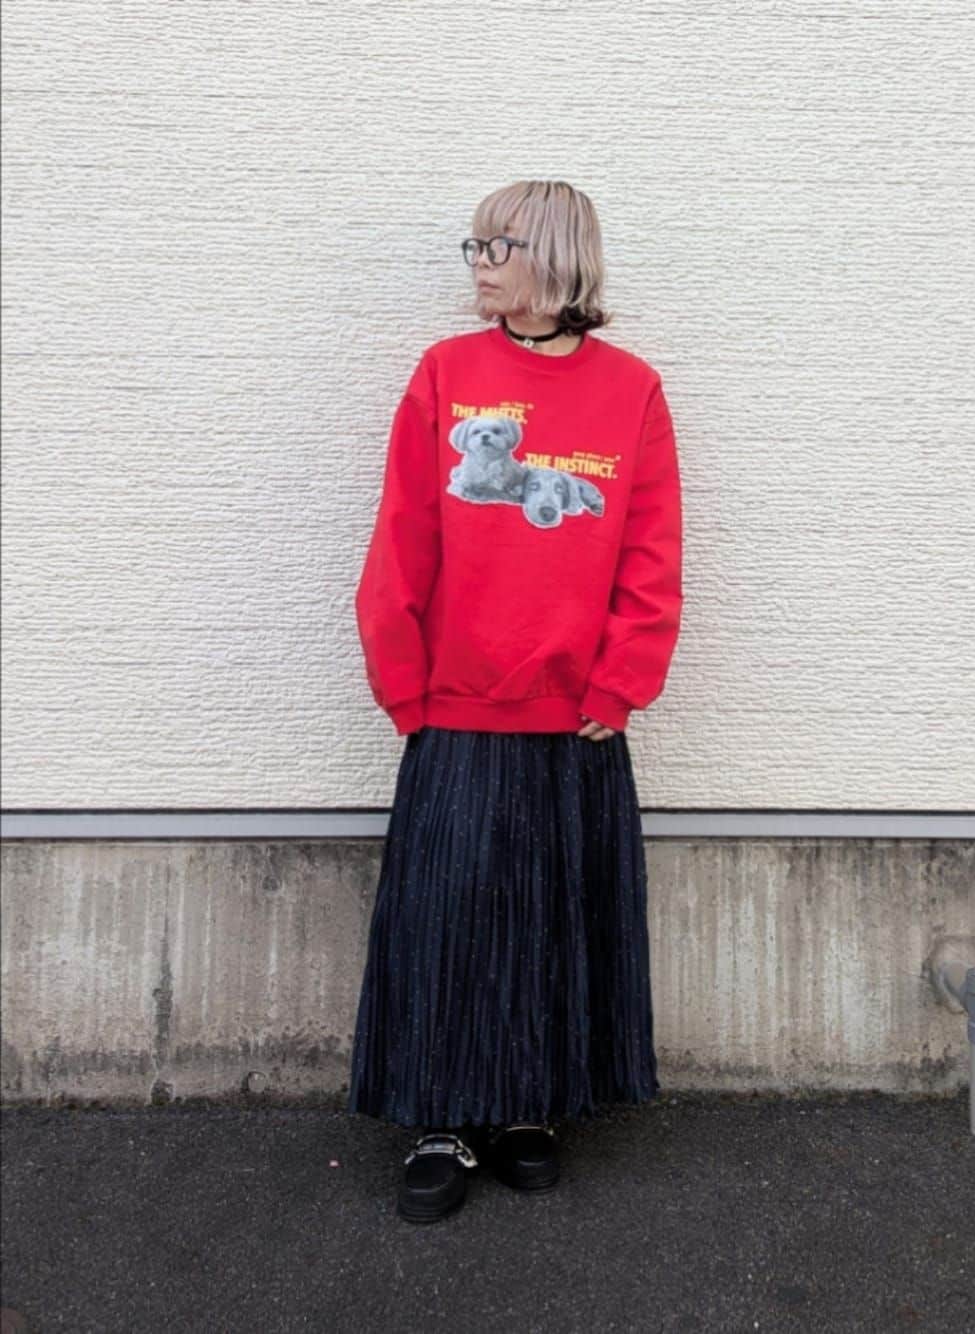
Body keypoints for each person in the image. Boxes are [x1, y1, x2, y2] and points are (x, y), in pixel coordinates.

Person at [347, 179, 684, 1223]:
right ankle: (441, 1118)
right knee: (448, 920)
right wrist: (403, 685)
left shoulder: (630, 389)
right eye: (476, 246)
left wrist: (620, 682)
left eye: (497, 246)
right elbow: (403, 534)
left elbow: (651, 551)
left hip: (575, 719)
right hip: (456, 707)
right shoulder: (446, 374)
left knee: (549, 926)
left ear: (555, 255)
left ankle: (528, 1109)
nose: (479, 264)